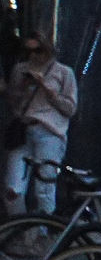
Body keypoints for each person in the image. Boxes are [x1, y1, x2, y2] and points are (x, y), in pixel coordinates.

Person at [4, 33, 77, 216]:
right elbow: (12, 102)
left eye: (38, 50)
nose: (33, 56)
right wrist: (21, 87)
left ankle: (43, 230)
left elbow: (70, 108)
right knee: (12, 187)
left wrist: (47, 88)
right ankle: (19, 227)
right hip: (24, 130)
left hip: (49, 133)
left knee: (44, 187)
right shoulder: (20, 69)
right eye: (28, 51)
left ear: (48, 50)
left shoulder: (63, 72)